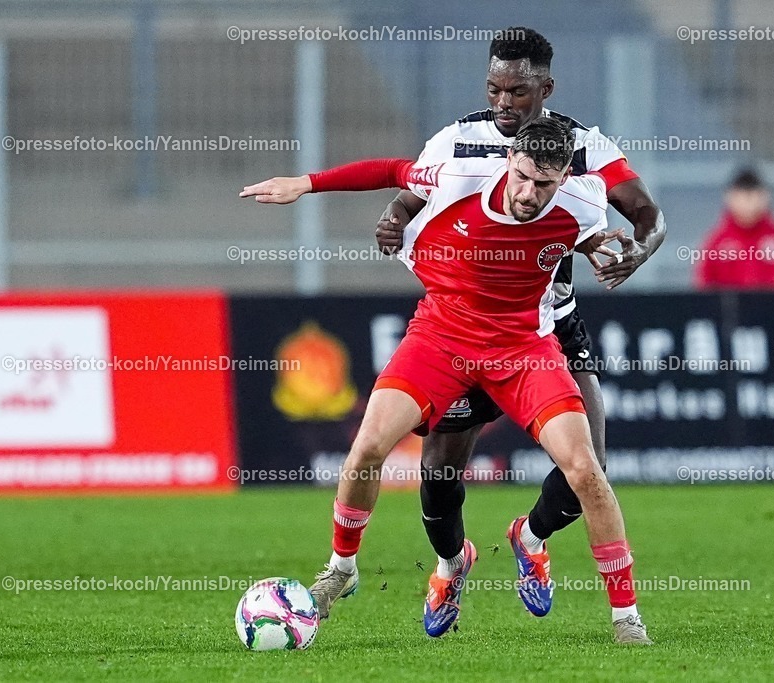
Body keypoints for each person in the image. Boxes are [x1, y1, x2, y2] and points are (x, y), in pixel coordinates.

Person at [240, 118, 652, 644]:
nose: (529, 194)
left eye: (544, 185)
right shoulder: (457, 177)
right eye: (522, 177)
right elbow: (391, 170)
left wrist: (601, 244)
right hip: (442, 336)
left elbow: (613, 222)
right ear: (509, 161)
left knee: (586, 472)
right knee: (367, 449)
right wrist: (307, 184)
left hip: (523, 347)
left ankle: (625, 618)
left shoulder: (586, 201)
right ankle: (343, 569)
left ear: (564, 177)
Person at [695, 167, 774, 289]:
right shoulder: (717, 242)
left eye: (752, 197)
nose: (748, 205)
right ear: (729, 198)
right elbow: (704, 286)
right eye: (742, 197)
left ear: (765, 197)